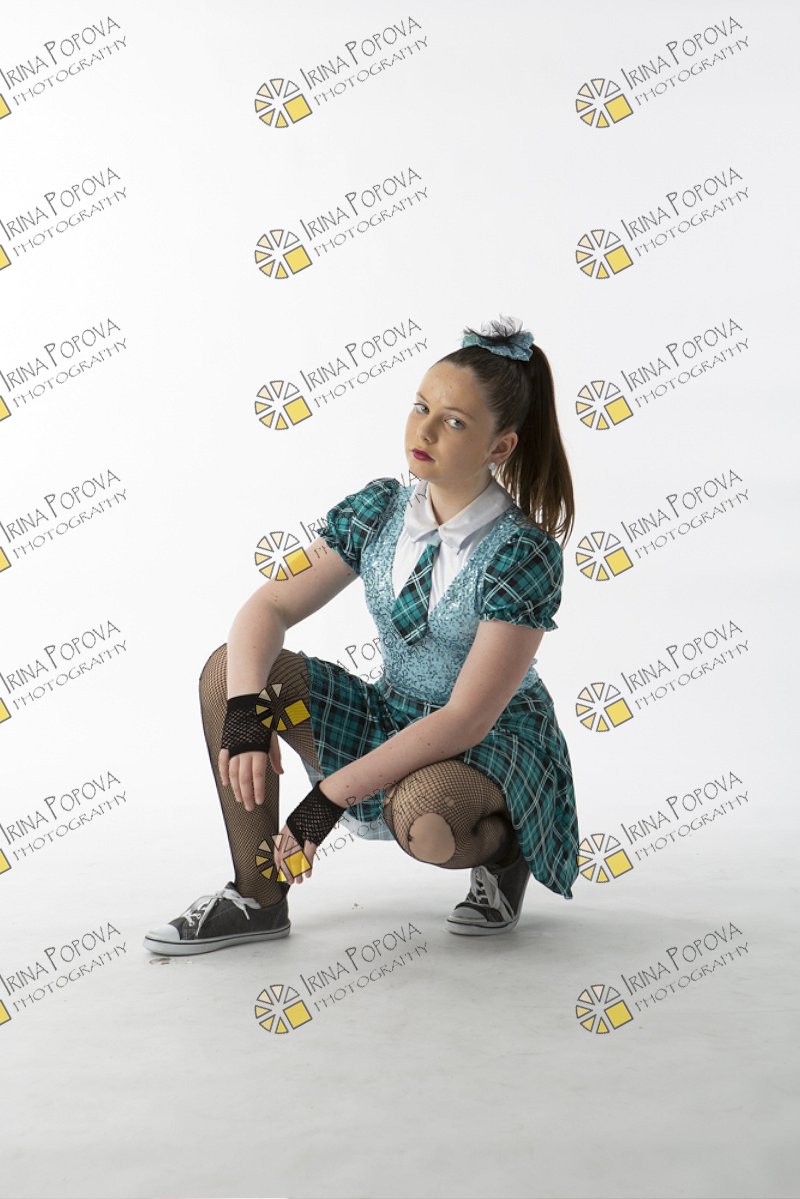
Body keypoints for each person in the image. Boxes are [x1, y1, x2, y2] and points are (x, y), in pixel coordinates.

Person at [143, 316, 580, 955]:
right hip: (392, 713)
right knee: (229, 671)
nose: (424, 432)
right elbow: (269, 605)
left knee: (428, 820)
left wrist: (327, 797)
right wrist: (245, 716)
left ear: (500, 447)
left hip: (490, 739)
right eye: (421, 408)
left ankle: (505, 849)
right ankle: (257, 897)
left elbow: (466, 718)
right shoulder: (380, 511)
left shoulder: (521, 553)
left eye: (455, 422)